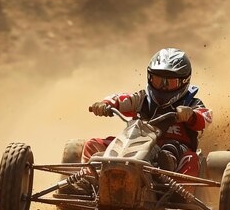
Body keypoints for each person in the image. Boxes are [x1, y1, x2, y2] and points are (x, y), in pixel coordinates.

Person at [84, 48, 212, 177]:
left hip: (173, 157)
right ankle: (87, 179)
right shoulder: (142, 99)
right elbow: (120, 99)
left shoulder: (191, 103)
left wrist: (191, 115)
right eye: (158, 80)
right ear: (149, 77)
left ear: (184, 81)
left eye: (170, 83)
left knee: (189, 157)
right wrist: (105, 104)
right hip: (134, 146)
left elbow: (205, 118)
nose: (163, 86)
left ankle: (177, 190)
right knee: (92, 145)